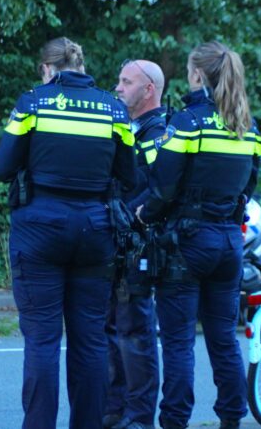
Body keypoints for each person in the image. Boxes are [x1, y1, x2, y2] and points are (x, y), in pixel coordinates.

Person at [0, 37, 137, 429]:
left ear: (47, 69)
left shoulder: (32, 102)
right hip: (95, 228)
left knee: (41, 341)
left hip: (39, 227)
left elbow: (2, 167)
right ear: (82, 66)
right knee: (89, 341)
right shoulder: (114, 108)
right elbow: (131, 174)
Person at [137, 41, 261, 429]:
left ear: (196, 75)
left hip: (187, 245)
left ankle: (174, 422)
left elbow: (163, 185)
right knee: (224, 339)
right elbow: (249, 188)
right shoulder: (248, 127)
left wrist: (143, 213)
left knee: (178, 343)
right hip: (229, 242)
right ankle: (231, 420)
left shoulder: (187, 122)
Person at [104, 59, 166, 429]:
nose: (118, 87)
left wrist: (126, 215)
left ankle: (140, 417)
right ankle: (114, 410)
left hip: (140, 247)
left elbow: (157, 189)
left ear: (149, 90)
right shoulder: (125, 128)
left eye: (126, 81)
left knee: (135, 333)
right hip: (113, 244)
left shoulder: (160, 133)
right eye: (119, 79)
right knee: (111, 330)